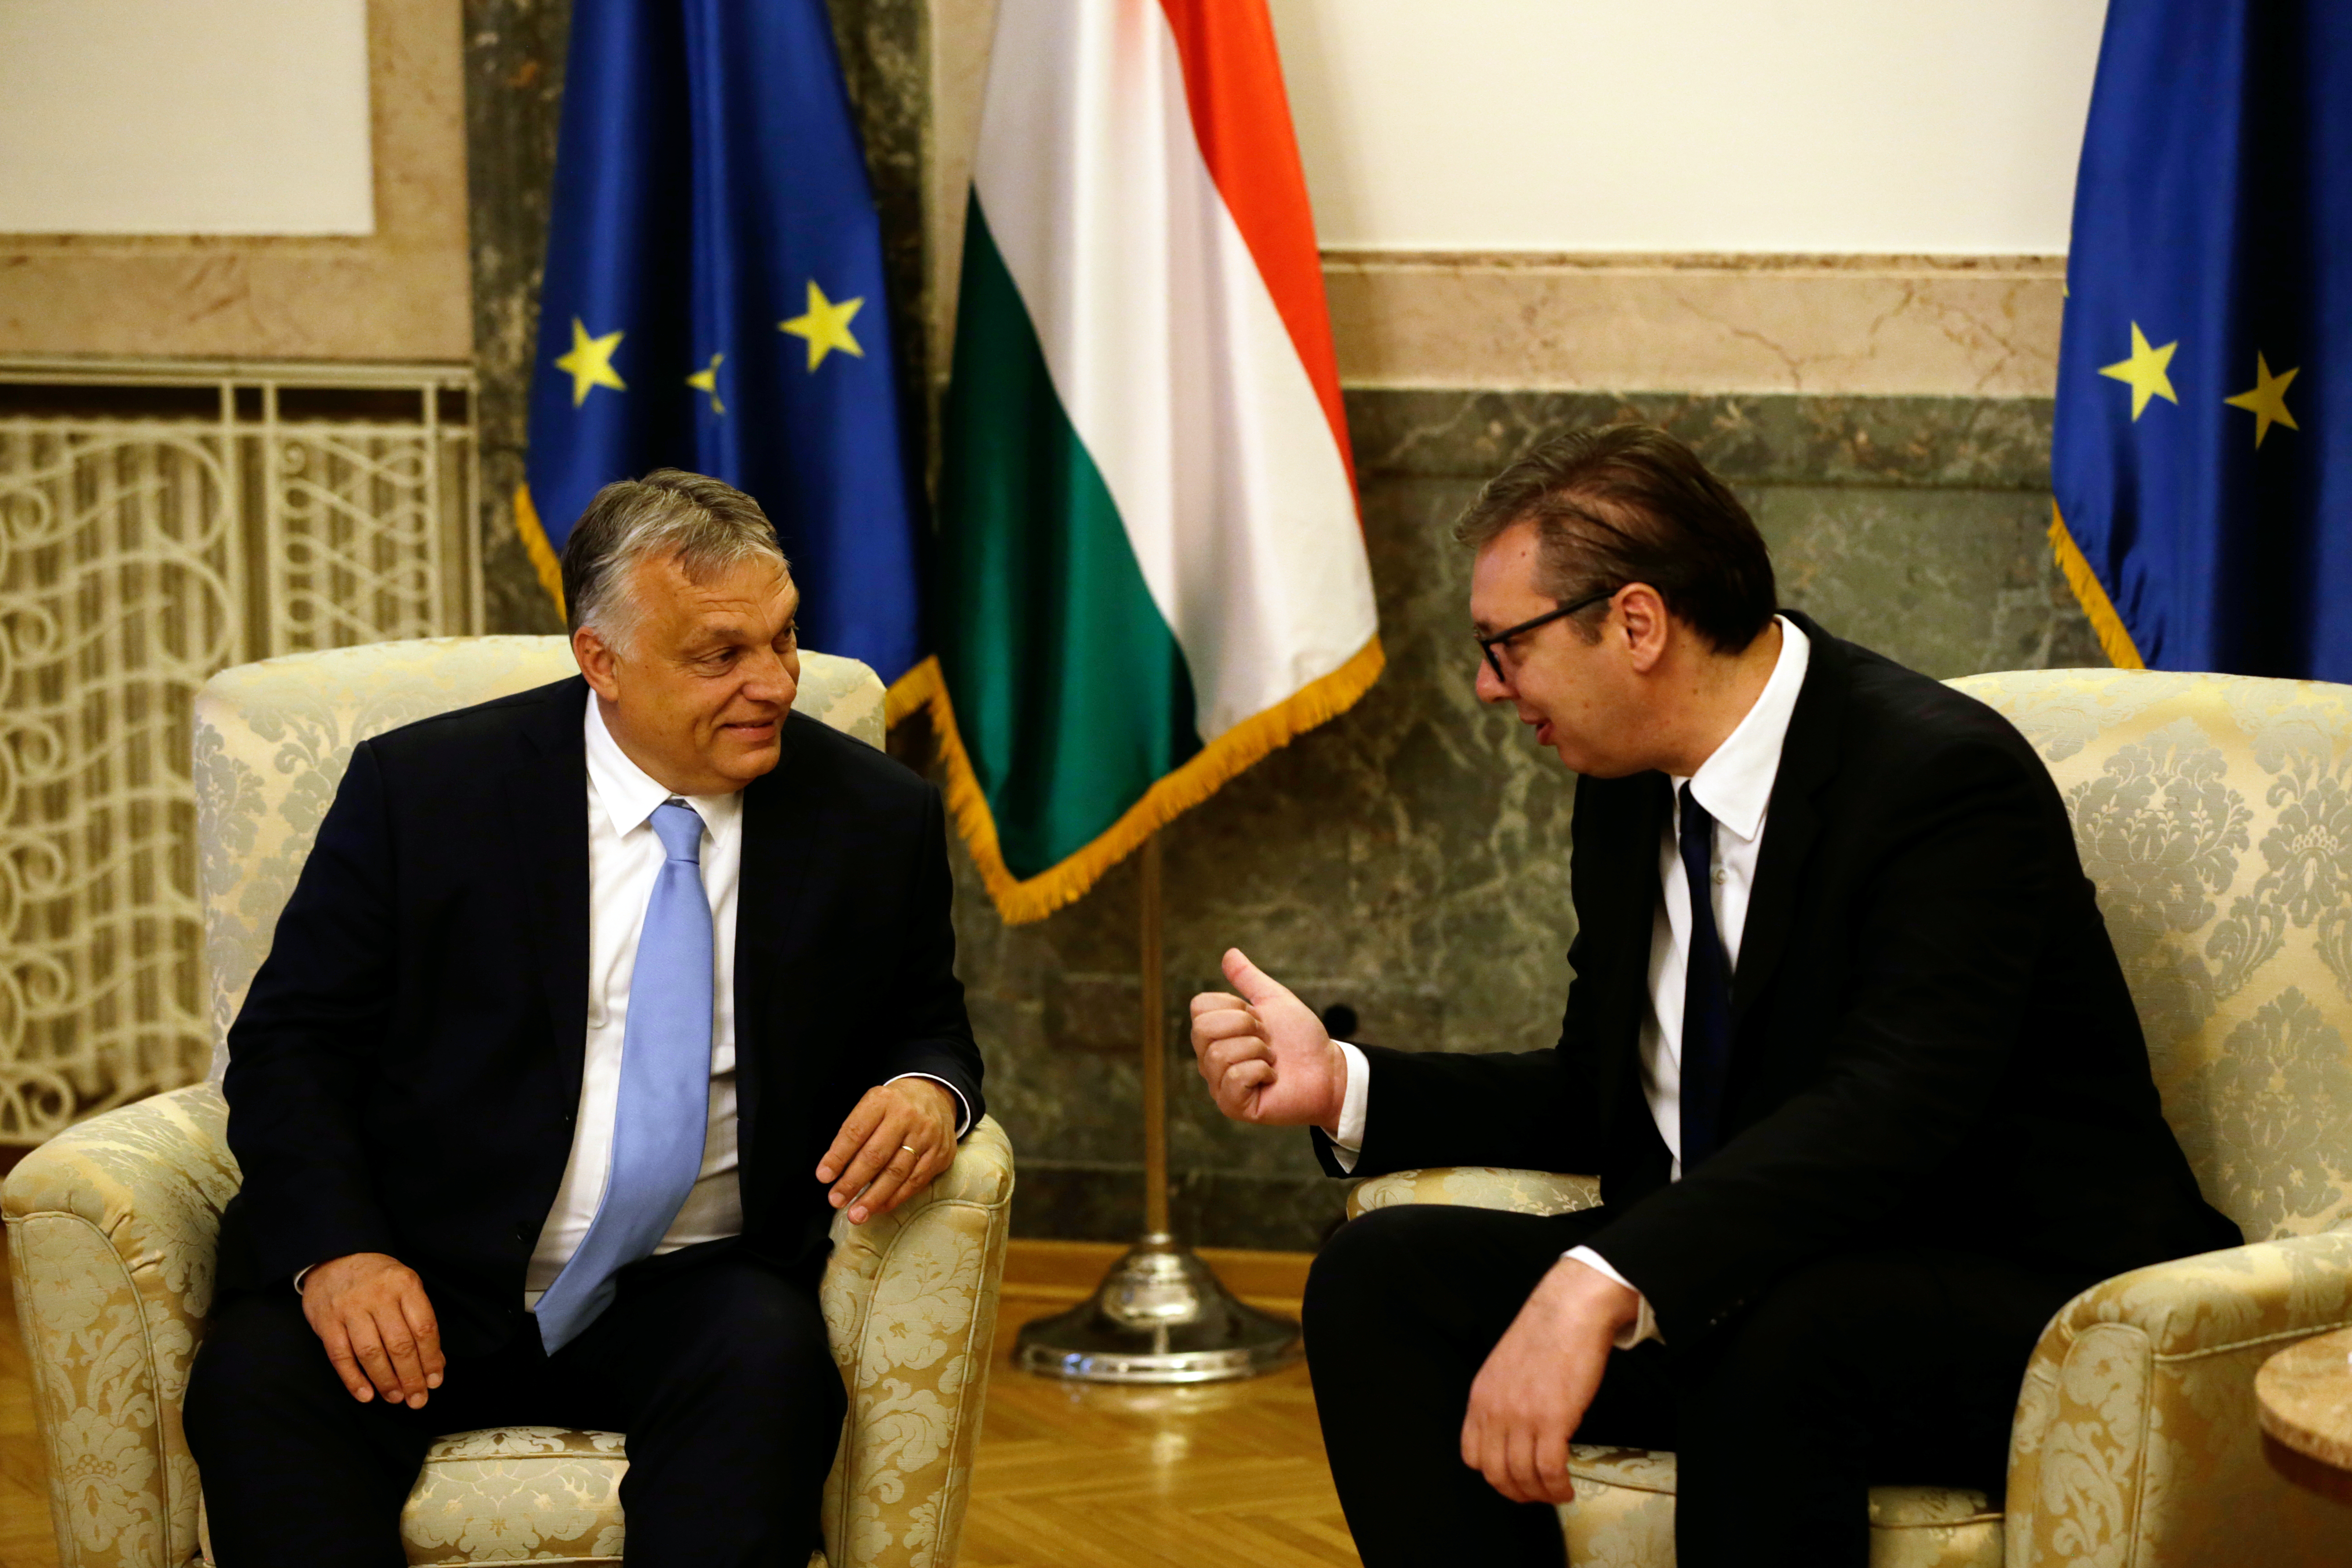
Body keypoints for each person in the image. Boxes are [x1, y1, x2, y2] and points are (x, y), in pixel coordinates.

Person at [1187, 425, 2239, 1568]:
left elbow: (1891, 1114)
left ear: (1636, 623)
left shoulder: (1939, 778)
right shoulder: (1628, 784)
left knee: (1768, 1321)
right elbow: (1611, 1090)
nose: (1490, 688)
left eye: (1506, 647)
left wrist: (1604, 1278)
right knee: (1382, 1277)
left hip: (2015, 1300)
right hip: (1762, 1271)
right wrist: (1344, 1085)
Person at [185, 470, 984, 1567]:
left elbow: (927, 1023)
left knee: (774, 1366)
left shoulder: (872, 817)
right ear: (600, 660)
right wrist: (342, 1253)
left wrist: (926, 1091)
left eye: (785, 638)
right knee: (257, 1380)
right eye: (722, 654)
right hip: (421, 1268)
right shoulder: (424, 792)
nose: (774, 684)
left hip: (692, 1285)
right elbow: (290, 1043)